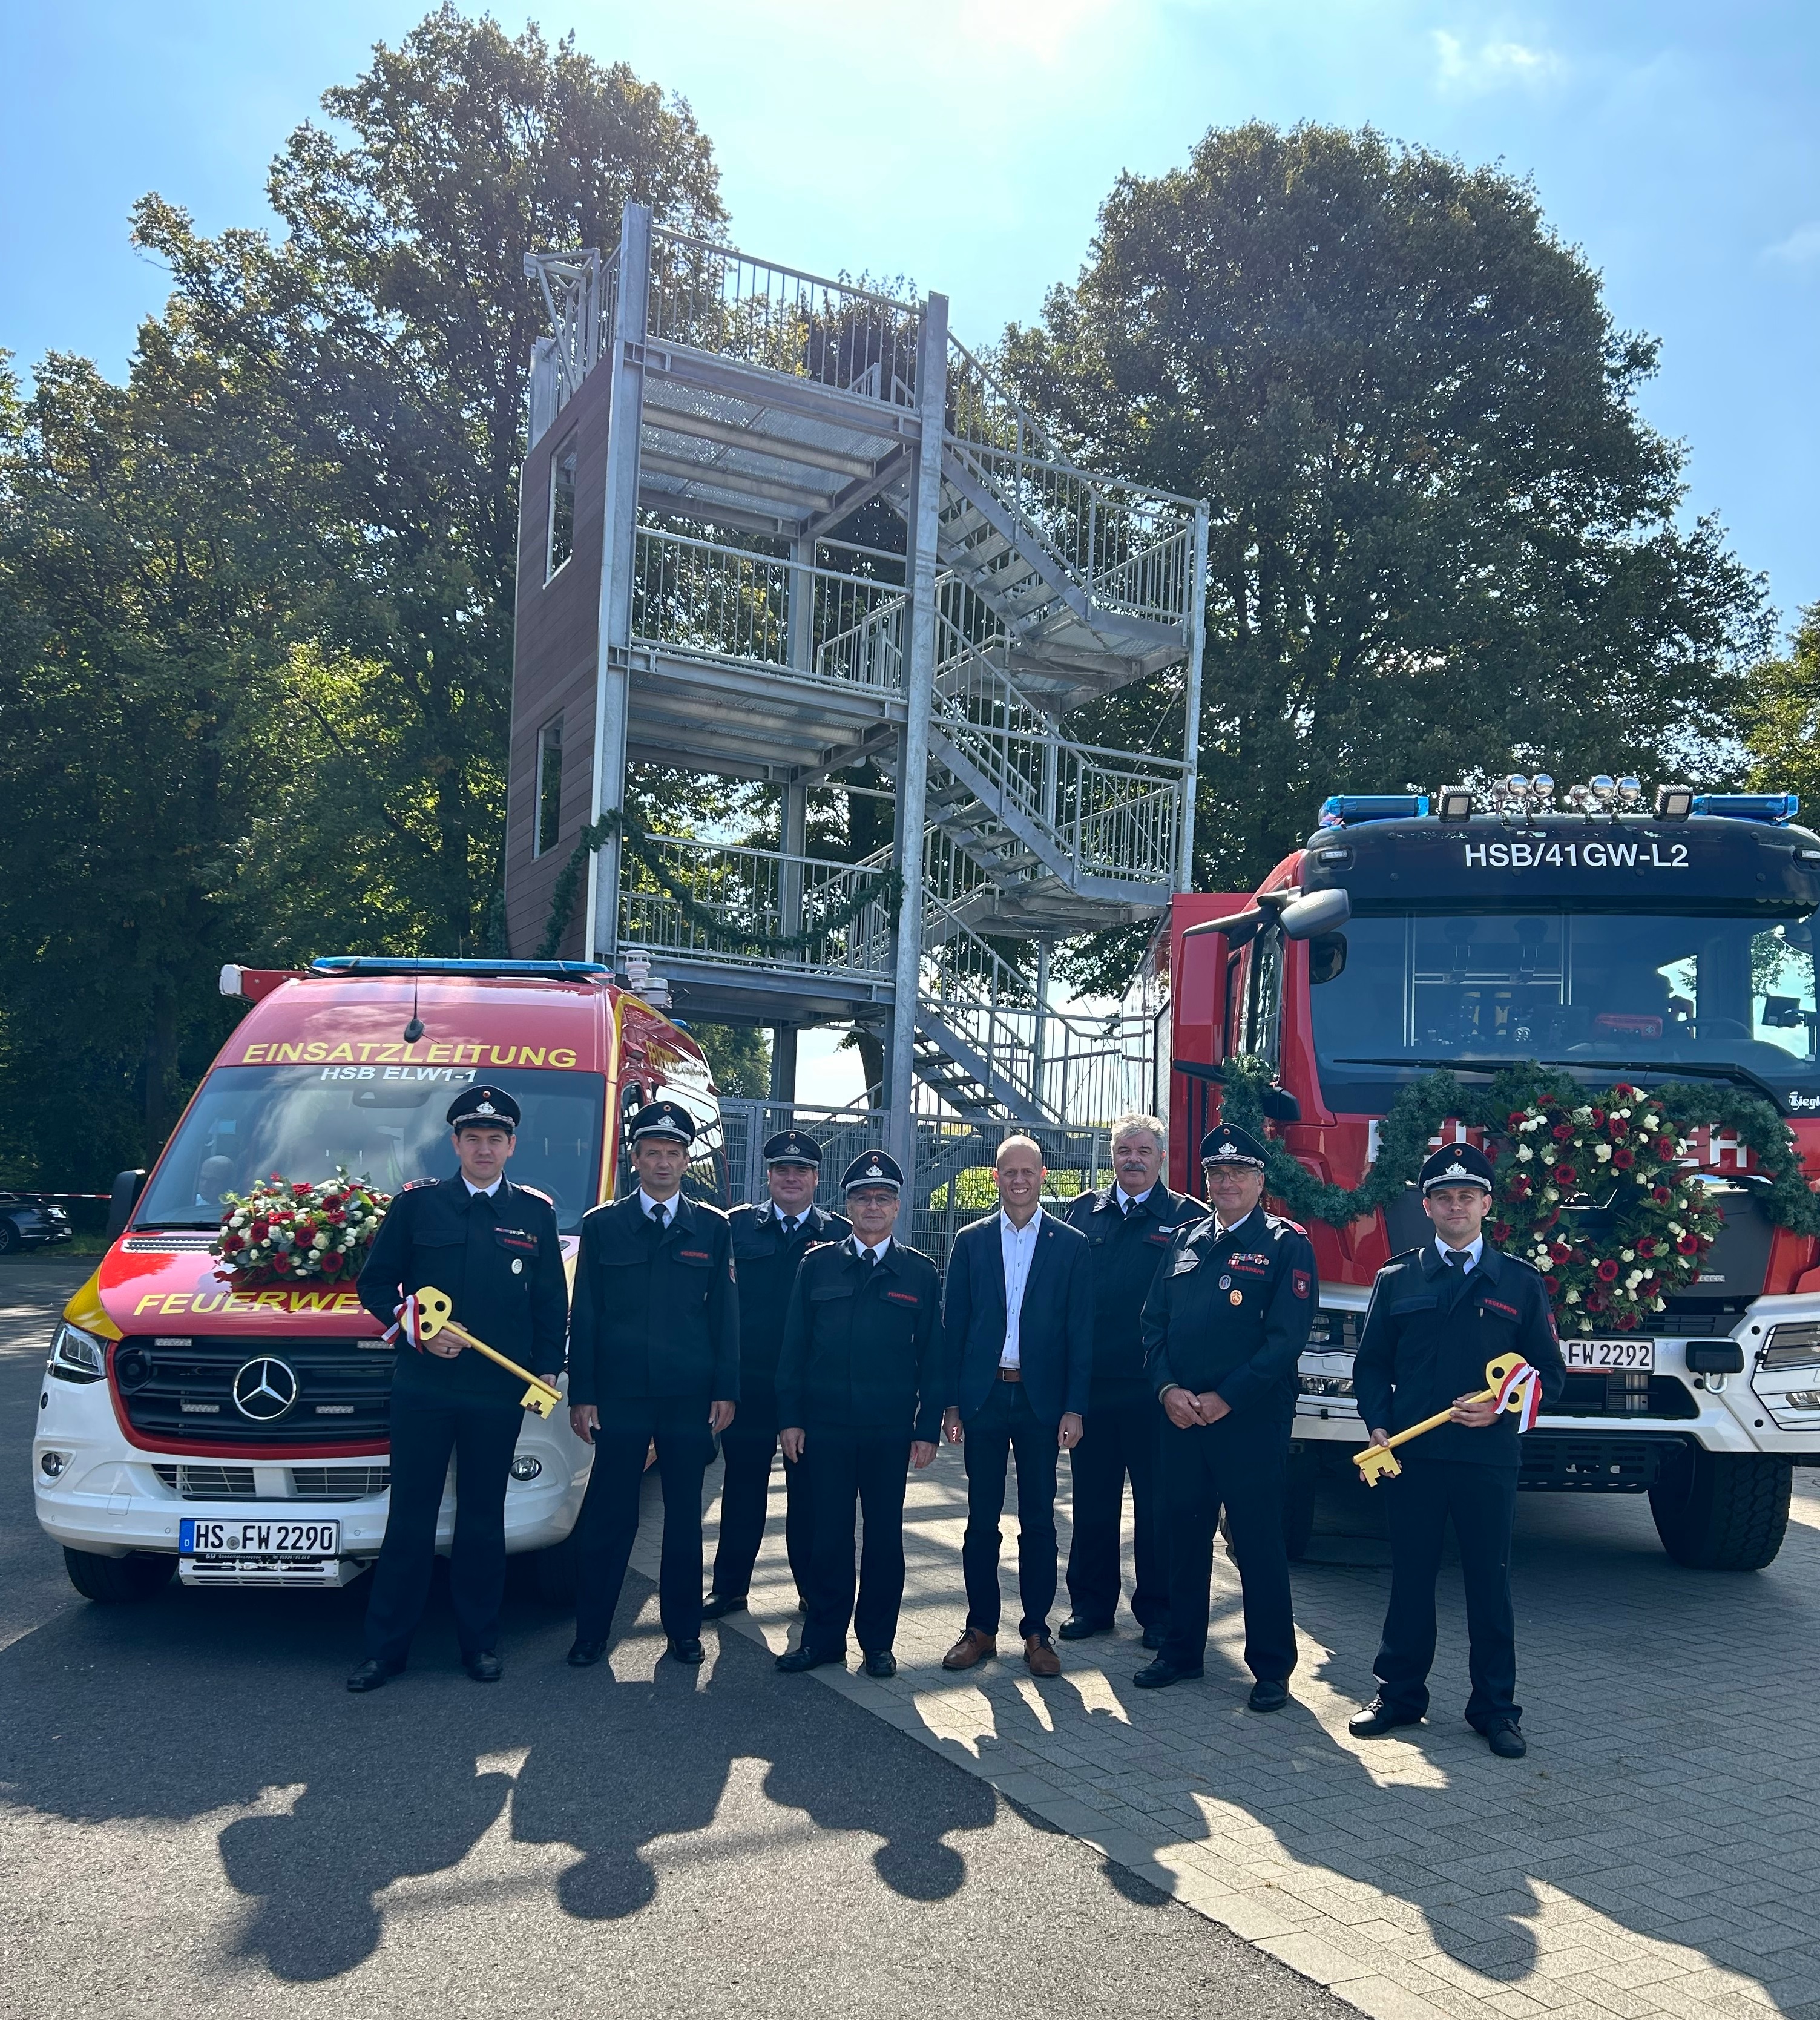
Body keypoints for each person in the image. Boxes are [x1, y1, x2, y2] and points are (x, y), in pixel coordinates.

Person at [1348, 1143, 1566, 1759]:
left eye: (1466, 1195)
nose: (1455, 1205)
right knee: (1410, 1580)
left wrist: (1502, 1407)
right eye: (1442, 1196)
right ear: (1426, 1206)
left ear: (1486, 1205)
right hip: (1413, 1457)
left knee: (1487, 1584)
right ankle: (1398, 1695)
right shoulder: (1397, 1280)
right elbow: (1371, 1367)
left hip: (1487, 1460)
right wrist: (1377, 1425)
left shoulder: (1519, 1283)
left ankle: (1495, 1708)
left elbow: (1549, 1371)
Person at [347, 1086, 566, 1691]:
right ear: (455, 1143)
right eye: (473, 1138)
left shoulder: (534, 1213)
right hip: (423, 1387)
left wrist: (547, 1367)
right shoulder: (418, 1207)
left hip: (496, 1392)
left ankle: (480, 1645)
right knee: (410, 1520)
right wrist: (417, 1333)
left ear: (512, 1145)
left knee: (480, 1520)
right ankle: (384, 1652)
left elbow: (550, 1301)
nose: (484, 1148)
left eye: (496, 1139)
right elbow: (376, 1287)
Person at [1137, 1122, 1315, 1709]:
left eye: (1239, 1172)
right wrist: (1166, 1390)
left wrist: (1225, 1397)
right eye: (1217, 1172)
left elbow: (1283, 1343)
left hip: (1247, 1424)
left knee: (1257, 1543)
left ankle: (1270, 1668)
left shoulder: (1287, 1245)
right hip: (1182, 1419)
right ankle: (1181, 1649)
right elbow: (1152, 1324)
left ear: (1260, 1180)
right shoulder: (1185, 1240)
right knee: (1181, 1537)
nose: (1227, 1181)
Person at [565, 1100, 738, 1670]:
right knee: (610, 1516)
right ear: (635, 1159)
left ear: (687, 1161)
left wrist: (725, 1389)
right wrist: (582, 1393)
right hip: (620, 1395)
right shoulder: (602, 1225)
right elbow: (585, 1314)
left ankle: (684, 1631)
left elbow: (724, 1317)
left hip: (688, 1395)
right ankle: (591, 1631)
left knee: (684, 1518)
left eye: (673, 1153)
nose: (662, 1162)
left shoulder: (712, 1228)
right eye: (652, 1152)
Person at [772, 1150, 943, 1678]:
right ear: (847, 1205)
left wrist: (926, 1428)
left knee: (885, 1538)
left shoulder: (919, 1271)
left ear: (897, 1207)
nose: (873, 1206)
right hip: (824, 1427)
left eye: (883, 1198)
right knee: (827, 1536)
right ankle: (823, 1638)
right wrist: (790, 1419)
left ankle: (877, 1642)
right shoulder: (817, 1264)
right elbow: (794, 1348)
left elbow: (932, 1358)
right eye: (863, 1197)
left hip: (888, 1430)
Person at [940, 1135, 1094, 1678]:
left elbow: (1081, 1331)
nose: (1020, 1180)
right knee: (981, 1518)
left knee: (1039, 1521)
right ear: (995, 1176)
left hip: (1040, 1401)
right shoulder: (970, 1240)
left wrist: (1075, 1407)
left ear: (1044, 1175)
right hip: (983, 1399)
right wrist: (952, 1403)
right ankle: (980, 1628)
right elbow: (952, 1325)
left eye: (1029, 1171)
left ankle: (1036, 1631)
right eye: (1010, 1172)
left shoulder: (1070, 1244)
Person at [1060, 1113, 1207, 1649]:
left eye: (1144, 1150)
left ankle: (1159, 1611)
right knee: (1092, 1502)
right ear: (1112, 1155)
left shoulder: (1188, 1217)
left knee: (1157, 1505)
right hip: (1094, 1386)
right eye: (1123, 1150)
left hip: (1154, 1389)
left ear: (1161, 1157)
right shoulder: (1083, 1212)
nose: (1133, 1159)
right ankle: (1091, 1606)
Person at [705, 1133, 850, 1620]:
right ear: (769, 1176)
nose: (792, 1179)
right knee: (741, 1491)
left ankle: (810, 1589)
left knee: (807, 1495)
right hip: (749, 1385)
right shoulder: (734, 1227)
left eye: (802, 1171)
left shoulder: (841, 1235)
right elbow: (716, 1311)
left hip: (809, 1393)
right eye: (783, 1170)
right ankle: (729, 1588)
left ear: (815, 1178)